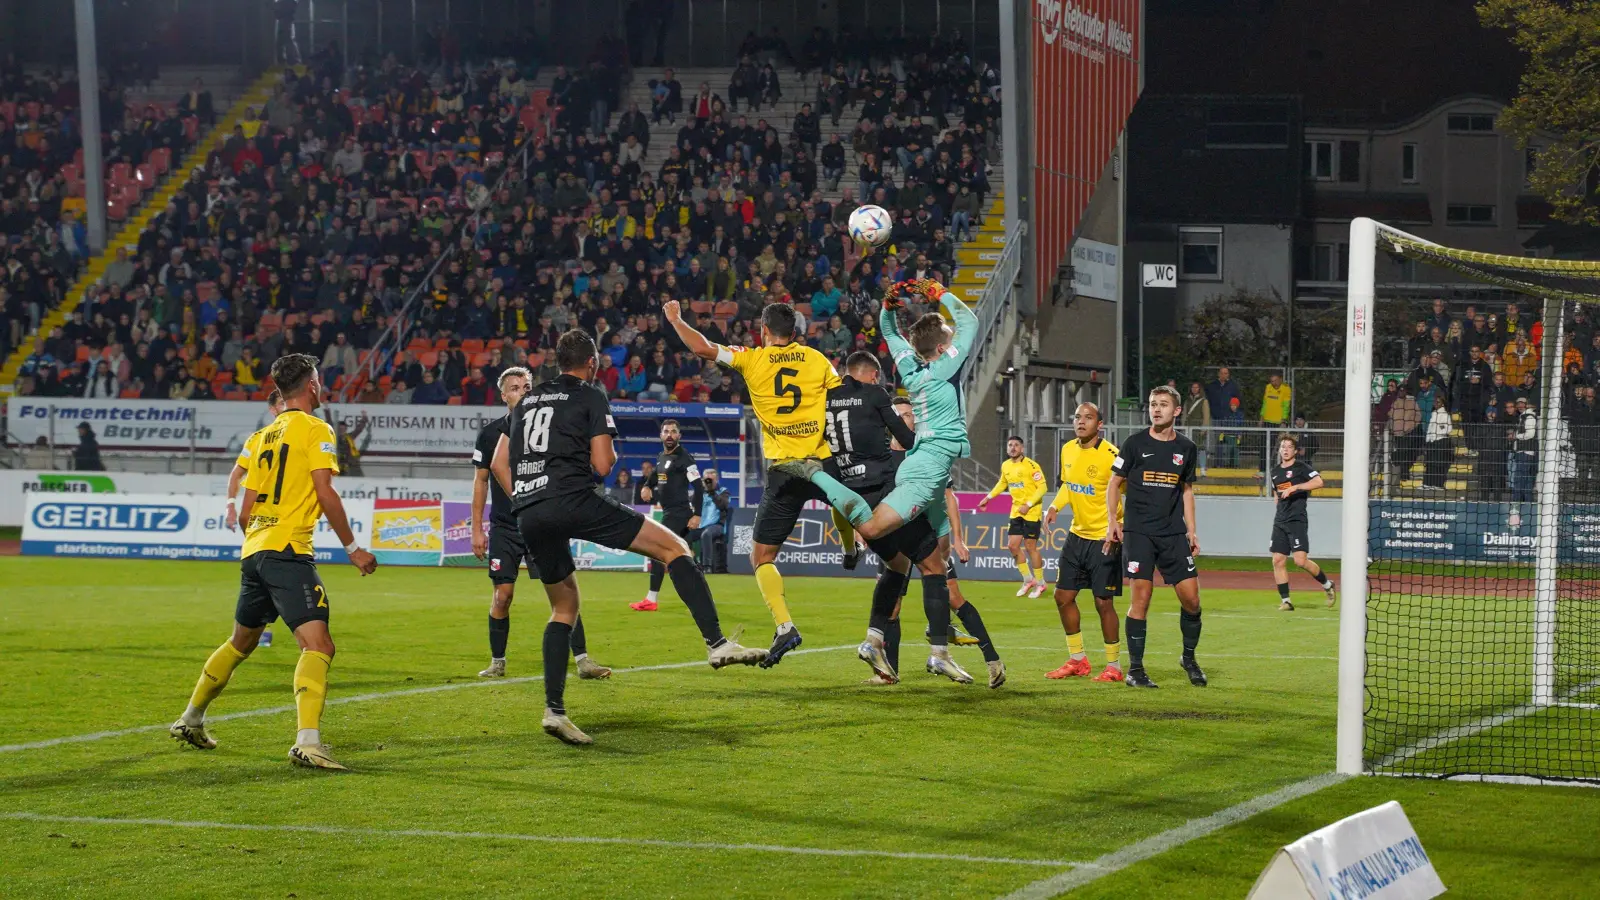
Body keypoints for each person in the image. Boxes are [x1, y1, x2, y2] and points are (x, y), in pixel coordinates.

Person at [489, 332, 765, 744]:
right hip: (573, 498)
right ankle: (717, 643)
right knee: (675, 548)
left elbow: (502, 460)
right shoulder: (590, 394)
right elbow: (604, 464)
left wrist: (528, 495)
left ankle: (554, 711)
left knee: (563, 608)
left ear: (557, 361)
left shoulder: (526, 402)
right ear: (592, 363)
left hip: (529, 510)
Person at [169, 353, 378, 770]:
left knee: (240, 643)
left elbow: (246, 510)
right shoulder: (316, 429)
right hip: (288, 551)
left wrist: (261, 542)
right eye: (319, 380)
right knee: (318, 645)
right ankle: (308, 742)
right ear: (312, 386)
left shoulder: (260, 437)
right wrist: (353, 547)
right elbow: (325, 492)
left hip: (255, 550)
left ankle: (190, 718)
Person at [797, 278, 995, 686]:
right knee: (872, 529)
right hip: (926, 470)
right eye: (948, 336)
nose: (953, 338)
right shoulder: (944, 367)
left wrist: (888, 307)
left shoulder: (909, 366)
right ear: (942, 346)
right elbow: (971, 321)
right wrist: (939, 293)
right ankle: (816, 477)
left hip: (917, 464)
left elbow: (890, 333)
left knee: (925, 563)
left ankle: (926, 649)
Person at [663, 298, 845, 668]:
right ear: (794, 331)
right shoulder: (817, 359)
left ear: (763, 331)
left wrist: (676, 320)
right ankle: (852, 545)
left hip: (784, 470)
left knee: (761, 558)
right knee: (851, 507)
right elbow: (842, 400)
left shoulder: (752, 358)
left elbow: (702, 347)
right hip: (822, 460)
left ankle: (785, 626)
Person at [826, 352, 1001, 687]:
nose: (907, 418)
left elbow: (946, 497)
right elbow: (905, 445)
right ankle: (928, 656)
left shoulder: (831, 402)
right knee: (923, 575)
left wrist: (955, 539)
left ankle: (877, 640)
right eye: (902, 414)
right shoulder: (886, 426)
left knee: (910, 573)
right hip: (891, 511)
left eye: (910, 414)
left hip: (871, 508)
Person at [471, 367, 610, 680]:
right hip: (506, 526)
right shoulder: (491, 434)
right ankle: (497, 662)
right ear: (503, 395)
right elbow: (480, 481)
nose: (522, 392)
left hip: (541, 522)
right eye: (515, 388)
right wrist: (476, 529)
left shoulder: (546, 428)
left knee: (563, 591)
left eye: (526, 387)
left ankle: (583, 661)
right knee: (503, 596)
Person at [1104, 385, 1206, 690]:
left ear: (1177, 411)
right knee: (1141, 598)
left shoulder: (1186, 448)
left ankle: (1188, 658)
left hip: (1172, 533)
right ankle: (1135, 670)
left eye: (1163, 404)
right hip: (1139, 533)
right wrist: (1113, 521)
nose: (1156, 409)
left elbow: (1186, 490)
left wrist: (1191, 529)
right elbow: (1114, 483)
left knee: (1192, 600)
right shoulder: (1134, 444)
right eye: (1152, 404)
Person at [1041, 402, 1124, 682]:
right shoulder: (1067, 449)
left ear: (1099, 425)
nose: (1081, 421)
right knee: (1062, 597)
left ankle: (1114, 666)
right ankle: (1077, 660)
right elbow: (1068, 484)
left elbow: (1128, 490)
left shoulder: (1112, 455)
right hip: (1077, 536)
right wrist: (1055, 506)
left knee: (1103, 602)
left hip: (1104, 538)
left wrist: (1121, 524)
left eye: (1088, 417)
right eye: (1077, 416)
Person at [224, 391, 287, 646]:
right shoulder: (257, 439)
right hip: (263, 519)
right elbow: (236, 473)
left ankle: (256, 632)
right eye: (281, 403)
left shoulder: (302, 432)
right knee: (269, 578)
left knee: (264, 579)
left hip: (282, 519)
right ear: (272, 410)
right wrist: (230, 504)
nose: (287, 406)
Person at [631, 419, 703, 612]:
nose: (669, 435)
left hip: (679, 514)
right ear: (661, 435)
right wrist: (647, 486)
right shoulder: (662, 456)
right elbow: (656, 474)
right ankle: (701, 597)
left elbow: (698, 487)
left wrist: (697, 514)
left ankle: (651, 599)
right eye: (666, 431)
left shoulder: (685, 458)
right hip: (671, 512)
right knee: (684, 559)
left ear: (679, 435)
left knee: (658, 551)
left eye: (673, 431)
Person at [1267, 435, 1337, 611]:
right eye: (1283, 446)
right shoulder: (1274, 471)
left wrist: (1296, 487)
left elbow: (1319, 482)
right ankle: (1286, 601)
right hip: (1280, 521)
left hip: (1297, 520)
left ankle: (1327, 584)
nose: (1285, 450)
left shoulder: (1301, 467)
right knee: (1277, 559)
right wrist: (1279, 509)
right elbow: (1276, 493)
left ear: (1295, 451)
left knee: (1300, 561)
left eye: (1289, 447)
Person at [978, 435, 1048, 599]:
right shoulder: (1006, 465)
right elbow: (1002, 483)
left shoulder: (1031, 465)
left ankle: (1041, 583)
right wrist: (988, 497)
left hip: (1031, 511)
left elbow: (1043, 487)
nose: (1013, 448)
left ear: (1022, 448)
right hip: (1016, 511)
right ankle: (1028, 580)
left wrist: (1028, 504)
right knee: (1012, 546)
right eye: (1010, 445)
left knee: (1030, 547)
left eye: (1016, 445)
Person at [689, 469, 731, 572]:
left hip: (717, 526)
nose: (709, 482)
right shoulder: (701, 492)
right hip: (700, 526)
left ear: (716, 480)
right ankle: (695, 564)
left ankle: (707, 567)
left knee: (706, 534)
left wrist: (712, 492)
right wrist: (699, 489)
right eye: (707, 480)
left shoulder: (723, 491)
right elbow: (692, 503)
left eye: (711, 480)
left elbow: (723, 505)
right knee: (683, 536)